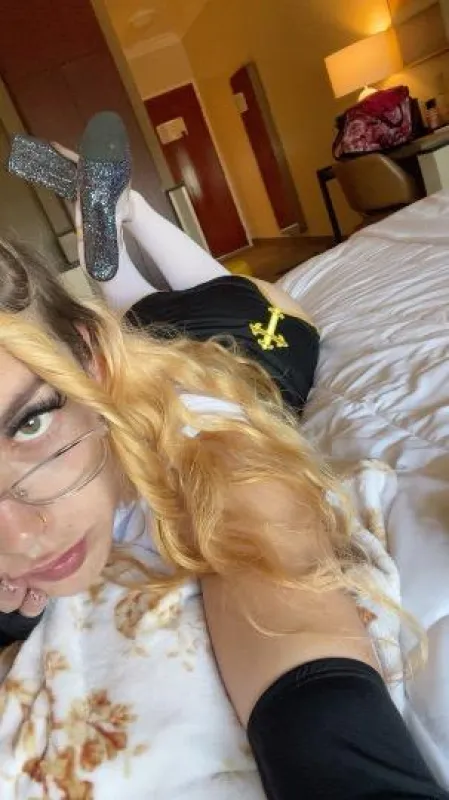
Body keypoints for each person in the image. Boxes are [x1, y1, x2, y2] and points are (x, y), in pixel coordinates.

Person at [0, 119, 447, 798]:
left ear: (93, 367)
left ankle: (113, 215)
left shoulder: (196, 430)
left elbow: (258, 544)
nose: (20, 537)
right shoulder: (106, 366)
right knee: (175, 294)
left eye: (30, 422)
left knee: (245, 302)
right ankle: (121, 211)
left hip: (258, 342)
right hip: (190, 331)